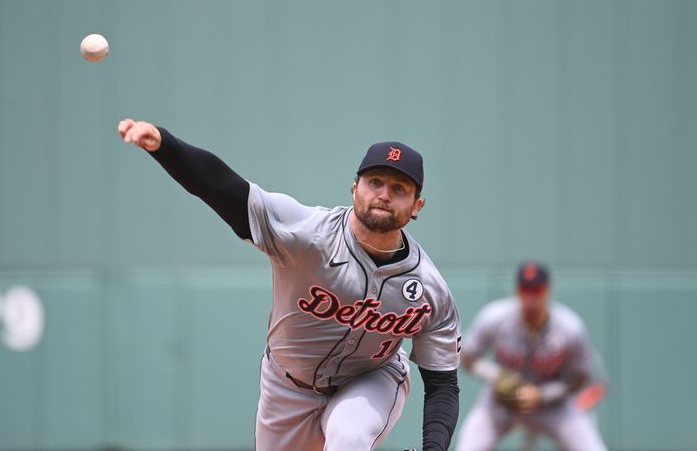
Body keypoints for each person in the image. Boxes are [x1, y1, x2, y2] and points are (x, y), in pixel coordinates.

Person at [118, 119, 462, 450]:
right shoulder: (307, 233)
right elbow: (224, 188)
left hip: (371, 379)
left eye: (399, 188)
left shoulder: (430, 290)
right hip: (286, 386)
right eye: (375, 182)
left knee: (349, 436)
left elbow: (443, 383)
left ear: (417, 205)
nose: (384, 194)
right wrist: (164, 145)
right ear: (355, 187)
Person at [455, 262, 608, 451]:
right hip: (501, 403)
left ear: (547, 291)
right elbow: (466, 357)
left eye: (536, 289)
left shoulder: (569, 327)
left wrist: (543, 395)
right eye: (525, 289)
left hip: (554, 406)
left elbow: (581, 376)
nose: (531, 296)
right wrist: (497, 376)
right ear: (517, 290)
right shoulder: (495, 317)